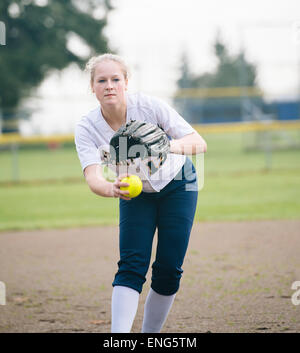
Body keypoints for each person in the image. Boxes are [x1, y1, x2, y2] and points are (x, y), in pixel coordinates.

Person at [74, 53, 207, 333]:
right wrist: (111, 189)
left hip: (179, 182)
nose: (109, 85)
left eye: (115, 79)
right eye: (102, 80)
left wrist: (166, 145)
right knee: (132, 265)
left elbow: (198, 143)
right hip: (133, 193)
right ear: (92, 87)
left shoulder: (148, 106)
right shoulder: (87, 127)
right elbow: (93, 176)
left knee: (169, 268)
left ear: (125, 83)